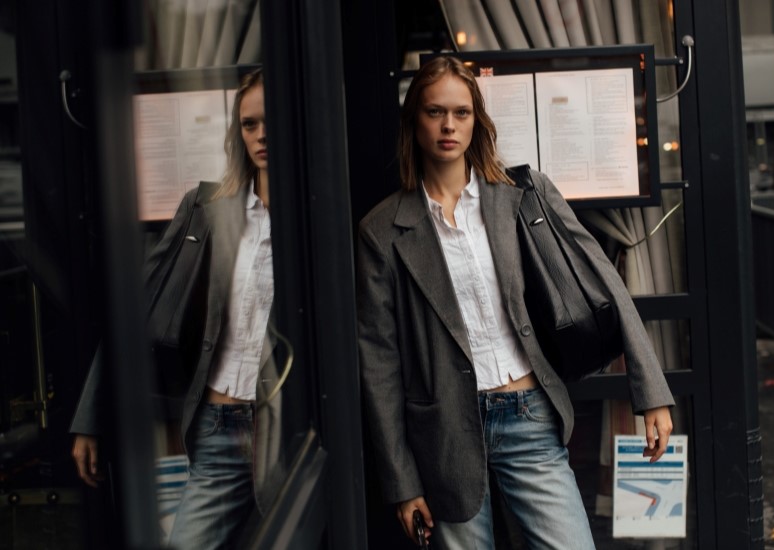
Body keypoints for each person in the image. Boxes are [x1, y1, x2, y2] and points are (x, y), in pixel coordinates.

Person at [355, 55, 676, 549]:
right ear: (413, 120)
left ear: (476, 121)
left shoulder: (522, 196)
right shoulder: (381, 231)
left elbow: (607, 283)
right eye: (434, 112)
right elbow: (379, 363)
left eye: (461, 113)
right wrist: (402, 483)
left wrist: (650, 390)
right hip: (442, 436)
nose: (448, 125)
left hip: (527, 413)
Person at [70, 67, 284, 549]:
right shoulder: (206, 208)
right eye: (249, 124)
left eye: (272, 120)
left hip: (291, 432)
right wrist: (91, 417)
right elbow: (135, 314)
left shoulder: (322, 210)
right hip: (218, 426)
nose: (262, 134)